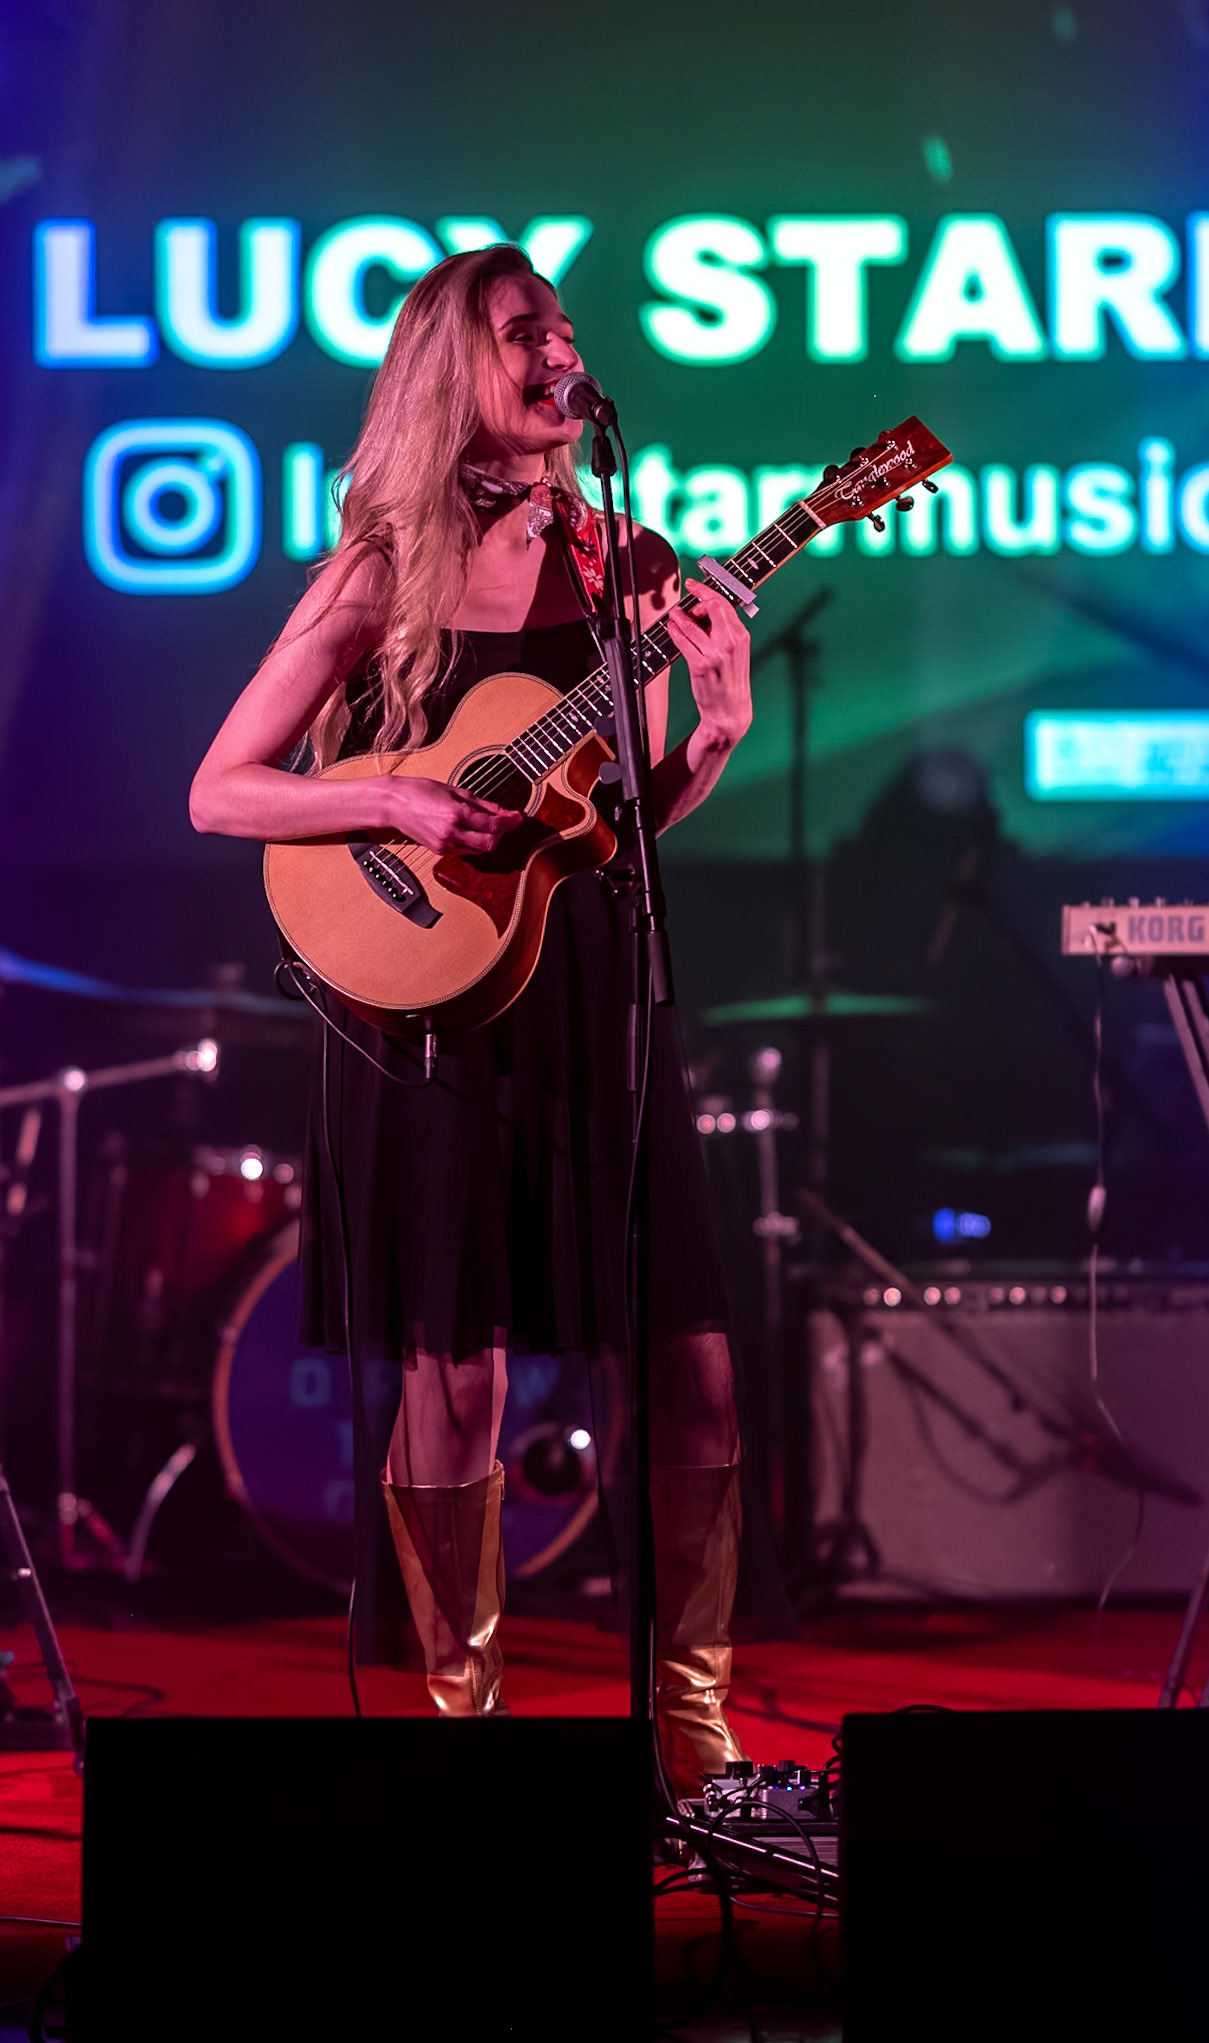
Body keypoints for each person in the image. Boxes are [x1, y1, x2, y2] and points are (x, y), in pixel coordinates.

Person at [189, 244, 755, 1795]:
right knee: (463, 1371)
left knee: (692, 1361)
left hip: (593, 992)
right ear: (457, 370)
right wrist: (397, 795)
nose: (559, 355)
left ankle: (693, 1729)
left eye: (568, 333)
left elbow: (615, 826)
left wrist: (714, 732)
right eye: (526, 334)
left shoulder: (630, 563)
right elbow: (220, 788)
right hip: (424, 1000)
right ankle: (459, 1737)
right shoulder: (385, 569)